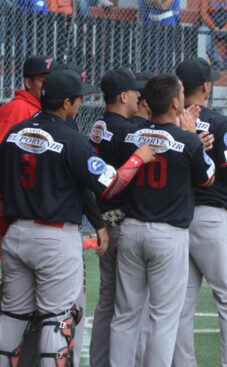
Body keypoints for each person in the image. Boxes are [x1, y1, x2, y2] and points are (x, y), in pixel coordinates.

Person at [0, 69, 154, 367]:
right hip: (54, 240)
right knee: (58, 319)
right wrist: (138, 158)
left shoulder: (13, 134)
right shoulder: (73, 140)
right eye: (79, 99)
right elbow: (111, 184)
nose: (81, 104)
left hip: (16, 234)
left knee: (12, 316)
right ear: (68, 103)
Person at [108, 73, 216, 366]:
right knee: (163, 318)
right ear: (174, 103)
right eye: (181, 93)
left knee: (126, 314)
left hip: (130, 229)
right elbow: (207, 179)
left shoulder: (128, 134)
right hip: (168, 235)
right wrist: (193, 137)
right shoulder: (187, 140)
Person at [172, 57, 227, 367]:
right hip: (211, 217)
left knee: (181, 304)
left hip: (178, 218)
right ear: (205, 87)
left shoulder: (167, 120)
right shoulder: (217, 122)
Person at [88, 68, 147, 367]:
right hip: (122, 223)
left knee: (107, 303)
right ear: (123, 96)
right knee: (130, 307)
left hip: (103, 221)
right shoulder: (129, 131)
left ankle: (99, 362)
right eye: (135, 91)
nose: (140, 95)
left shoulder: (99, 123)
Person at [0, 55, 53, 139]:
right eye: (44, 81)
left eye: (53, 80)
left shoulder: (46, 108)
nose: (50, 85)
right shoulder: (16, 108)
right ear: (28, 83)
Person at [138, 0, 181, 71]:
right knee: (149, 53)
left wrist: (154, 2)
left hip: (167, 21)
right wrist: (159, 3)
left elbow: (164, 6)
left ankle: (164, 74)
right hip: (151, 19)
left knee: (164, 55)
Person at [198, 0, 227, 68]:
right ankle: (217, 61)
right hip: (211, 27)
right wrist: (213, 27)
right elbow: (203, 13)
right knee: (202, 30)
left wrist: (226, 27)